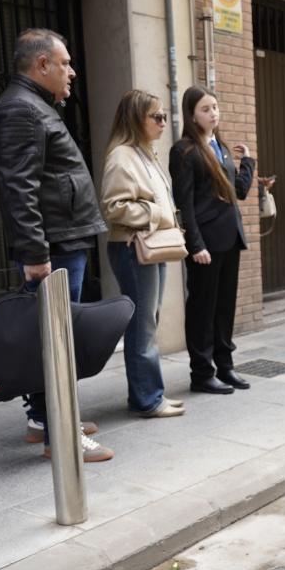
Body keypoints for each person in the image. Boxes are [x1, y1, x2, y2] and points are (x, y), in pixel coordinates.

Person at [0, 28, 111, 462]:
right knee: (56, 344)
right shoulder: (21, 110)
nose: (72, 72)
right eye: (65, 63)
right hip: (53, 247)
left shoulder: (34, 105)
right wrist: (35, 253)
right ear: (42, 65)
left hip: (61, 239)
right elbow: (19, 188)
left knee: (54, 339)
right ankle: (60, 436)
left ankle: (45, 420)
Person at [100, 90, 185, 419]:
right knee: (142, 324)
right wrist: (156, 214)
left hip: (146, 245)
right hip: (132, 246)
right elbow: (114, 207)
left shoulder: (145, 153)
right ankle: (148, 398)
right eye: (156, 117)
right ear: (137, 119)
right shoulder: (122, 156)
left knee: (148, 321)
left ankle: (148, 394)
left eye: (164, 116)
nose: (163, 122)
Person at [170, 86, 255, 394]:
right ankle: (202, 373)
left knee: (224, 308)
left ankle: (225, 366)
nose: (213, 113)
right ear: (192, 115)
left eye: (215, 107)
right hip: (205, 242)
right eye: (206, 109)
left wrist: (248, 163)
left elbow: (238, 192)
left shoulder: (220, 146)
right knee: (202, 309)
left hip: (229, 237)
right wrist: (195, 245)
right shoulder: (184, 150)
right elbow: (184, 203)